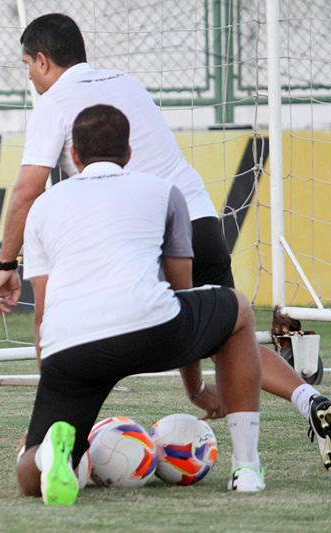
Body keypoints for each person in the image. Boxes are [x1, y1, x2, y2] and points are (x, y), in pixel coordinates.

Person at [0, 13, 331, 470]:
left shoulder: (54, 102)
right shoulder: (127, 83)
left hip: (138, 237)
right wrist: (192, 384)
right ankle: (304, 407)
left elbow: (27, 191)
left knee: (101, 329)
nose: (29, 75)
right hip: (199, 218)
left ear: (43, 61)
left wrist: (5, 264)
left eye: (27, 64)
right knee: (231, 331)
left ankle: (55, 438)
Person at [16, 104, 264, 504]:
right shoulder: (164, 191)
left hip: (70, 346)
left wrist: (55, 387)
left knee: (28, 480)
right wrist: (195, 387)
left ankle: (47, 455)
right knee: (238, 309)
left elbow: (42, 312)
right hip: (150, 328)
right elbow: (182, 292)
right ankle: (247, 468)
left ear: (74, 155)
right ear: (129, 152)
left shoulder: (43, 206)